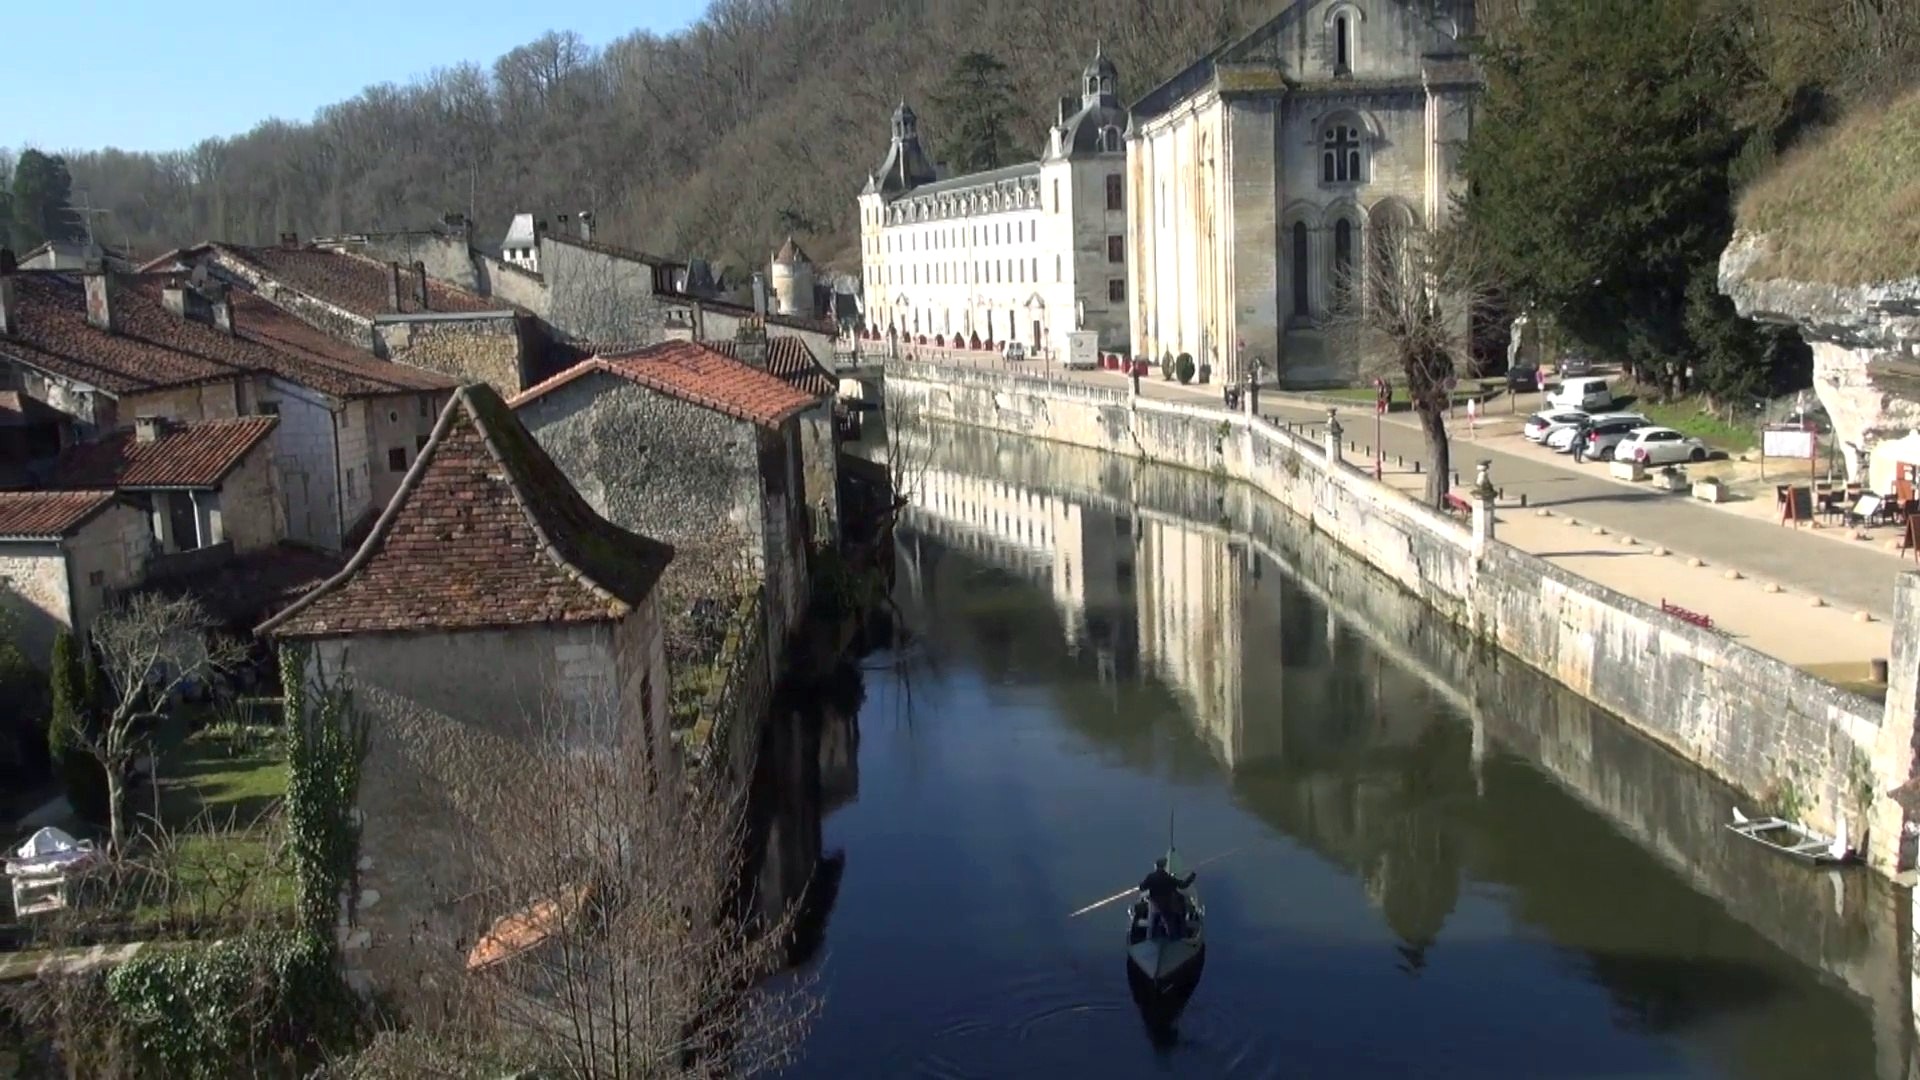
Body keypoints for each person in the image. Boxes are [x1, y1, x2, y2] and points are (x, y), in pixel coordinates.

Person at [1138, 858, 1196, 939]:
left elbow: (1142, 887)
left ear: (1156, 866)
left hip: (1154, 905)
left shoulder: (1150, 877)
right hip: (1166, 906)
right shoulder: (1168, 878)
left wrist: (1140, 884)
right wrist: (1192, 877)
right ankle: (1173, 942)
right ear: (1164, 866)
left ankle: (1150, 940)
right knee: (1169, 926)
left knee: (1152, 925)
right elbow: (1183, 885)